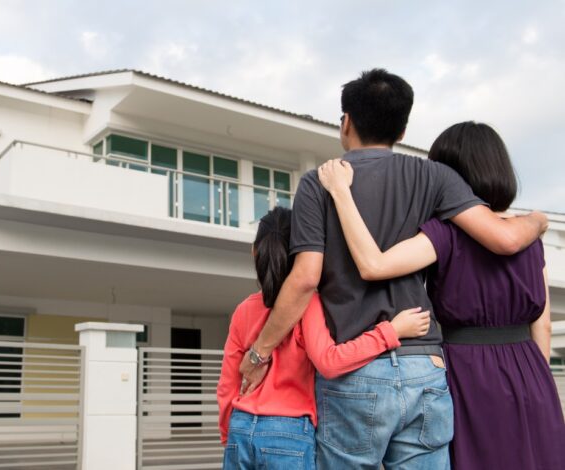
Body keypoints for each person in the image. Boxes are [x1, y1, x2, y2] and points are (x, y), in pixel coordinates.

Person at [237, 69, 549, 469]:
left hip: (354, 371)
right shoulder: (436, 177)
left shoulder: (318, 183)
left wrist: (259, 353)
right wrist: (537, 220)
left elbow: (305, 278)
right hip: (424, 366)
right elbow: (501, 237)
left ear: (346, 122)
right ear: (402, 130)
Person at [317, 121, 565, 470]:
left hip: (468, 372)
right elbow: (543, 324)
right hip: (531, 372)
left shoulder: (444, 234)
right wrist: (538, 381)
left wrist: (342, 194)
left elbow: (374, 264)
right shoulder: (529, 238)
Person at [217, 206, 432, 470]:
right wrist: (391, 331)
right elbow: (330, 361)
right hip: (289, 433)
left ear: (254, 252)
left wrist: (228, 434)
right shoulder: (309, 304)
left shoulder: (244, 310)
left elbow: (228, 383)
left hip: (240, 427)